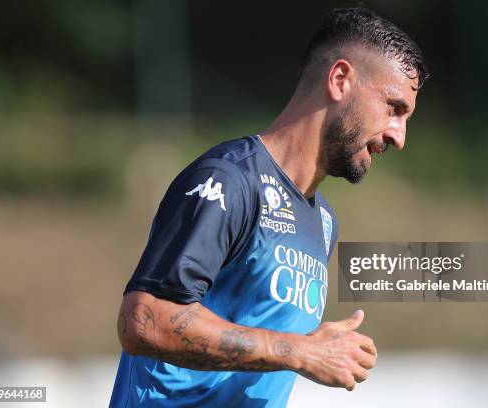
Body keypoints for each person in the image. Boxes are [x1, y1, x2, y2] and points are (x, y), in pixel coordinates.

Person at [110, 6, 428, 407]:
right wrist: (299, 351)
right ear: (340, 79)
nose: (399, 136)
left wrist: (301, 349)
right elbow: (144, 321)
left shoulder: (324, 222)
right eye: (394, 108)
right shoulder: (229, 181)